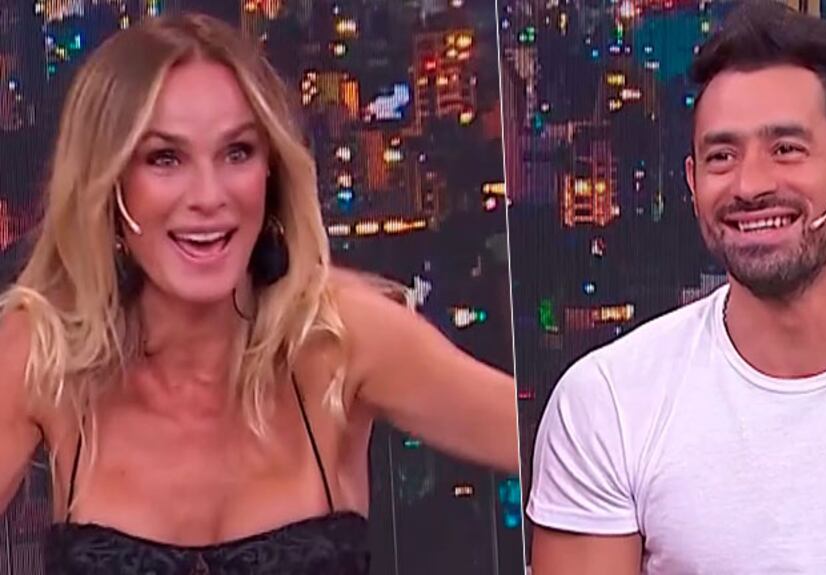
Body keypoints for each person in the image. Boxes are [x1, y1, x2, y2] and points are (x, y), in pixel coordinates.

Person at [0, 13, 518, 574]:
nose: (209, 196)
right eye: (164, 158)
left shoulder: (341, 338)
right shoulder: (46, 353)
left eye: (237, 152)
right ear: (109, 181)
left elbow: (569, 444)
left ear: (271, 173)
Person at [526, 2, 826, 573]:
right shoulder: (607, 403)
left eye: (786, 149)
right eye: (721, 156)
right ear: (692, 183)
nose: (749, 184)